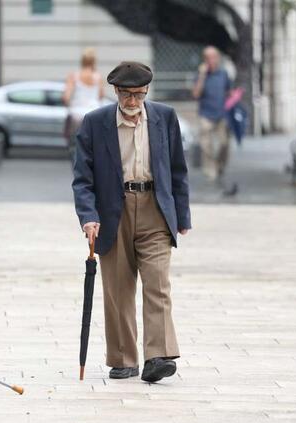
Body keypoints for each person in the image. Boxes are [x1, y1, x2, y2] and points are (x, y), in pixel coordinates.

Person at [72, 61, 191, 383]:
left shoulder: (164, 117)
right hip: (114, 211)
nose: (133, 101)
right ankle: (123, 359)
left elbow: (178, 169)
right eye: (127, 94)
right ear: (115, 91)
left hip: (155, 208)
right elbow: (82, 179)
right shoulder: (95, 123)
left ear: (147, 91)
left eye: (139, 94)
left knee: (158, 283)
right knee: (118, 290)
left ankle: (158, 356)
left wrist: (182, 215)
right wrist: (88, 217)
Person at [192, 46, 232, 182]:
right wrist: (202, 75)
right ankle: (211, 170)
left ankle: (219, 165)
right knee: (206, 146)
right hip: (205, 115)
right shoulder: (200, 75)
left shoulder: (223, 74)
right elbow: (196, 94)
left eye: (213, 57)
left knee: (224, 143)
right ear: (204, 60)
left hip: (221, 114)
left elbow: (228, 91)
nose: (211, 60)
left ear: (218, 58)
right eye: (208, 58)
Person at [63, 48, 104, 141]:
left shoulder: (74, 76)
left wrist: (69, 105)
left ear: (82, 61)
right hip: (94, 112)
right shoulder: (98, 77)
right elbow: (101, 96)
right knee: (93, 142)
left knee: (75, 142)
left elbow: (66, 97)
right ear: (94, 61)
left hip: (77, 114)